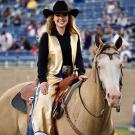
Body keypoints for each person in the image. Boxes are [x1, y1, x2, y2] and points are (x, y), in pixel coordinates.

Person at [31, 1, 88, 135]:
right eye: (58, 15)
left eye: (64, 15)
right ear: (53, 17)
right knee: (44, 101)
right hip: (52, 79)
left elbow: (79, 59)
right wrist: (43, 80)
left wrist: (81, 73)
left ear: (69, 18)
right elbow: (41, 62)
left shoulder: (75, 37)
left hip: (71, 78)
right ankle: (41, 131)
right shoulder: (47, 37)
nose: (61, 18)